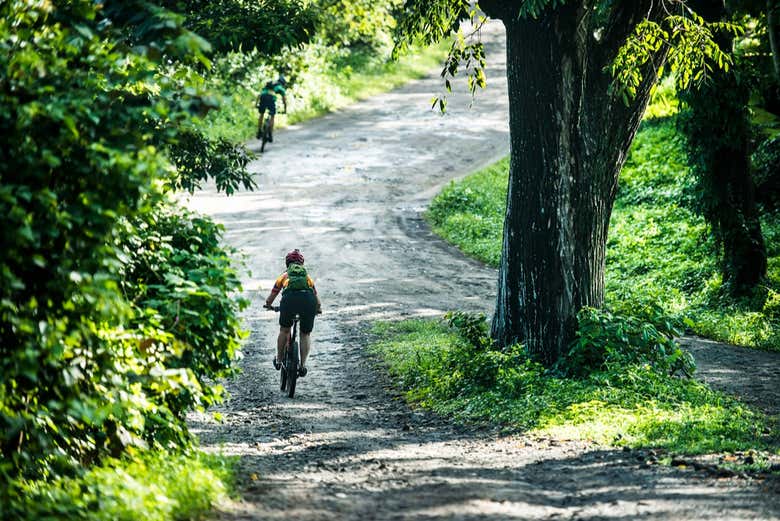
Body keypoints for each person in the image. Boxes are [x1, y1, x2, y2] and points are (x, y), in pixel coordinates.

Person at [264, 249, 321, 376]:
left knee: (284, 330)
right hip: (308, 301)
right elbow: (317, 300)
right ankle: (302, 366)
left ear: (287, 264)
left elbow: (271, 297)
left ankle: (278, 361)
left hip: (289, 301)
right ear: (302, 264)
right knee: (305, 334)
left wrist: (268, 305)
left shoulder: (284, 276)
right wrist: (318, 309)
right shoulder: (307, 277)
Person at [256, 76, 287, 141]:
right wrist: (285, 109)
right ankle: (270, 133)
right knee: (272, 116)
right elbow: (284, 100)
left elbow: (259, 95)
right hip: (271, 99)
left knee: (261, 114)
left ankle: (259, 130)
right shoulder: (280, 87)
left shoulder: (269, 84)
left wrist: (256, 104)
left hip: (263, 97)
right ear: (283, 83)